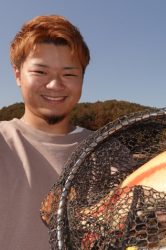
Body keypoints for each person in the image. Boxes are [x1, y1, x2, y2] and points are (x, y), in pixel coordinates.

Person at [0, 15, 92, 250]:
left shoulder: (109, 149)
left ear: (82, 78)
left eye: (69, 74)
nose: (54, 85)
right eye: (41, 72)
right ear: (18, 75)